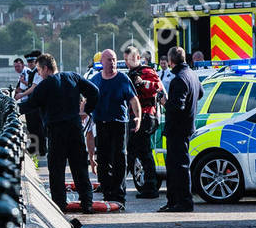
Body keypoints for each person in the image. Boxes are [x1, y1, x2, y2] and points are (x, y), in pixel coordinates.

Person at [16, 53, 99, 215]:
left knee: (56, 170)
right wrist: (87, 111)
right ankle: (87, 203)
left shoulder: (44, 86)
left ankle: (60, 205)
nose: (38, 73)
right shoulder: (73, 77)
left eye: (39, 70)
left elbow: (30, 104)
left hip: (56, 131)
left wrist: (14, 109)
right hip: (75, 128)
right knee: (80, 167)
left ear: (46, 69)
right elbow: (94, 91)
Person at [92, 49, 141, 208]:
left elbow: (134, 100)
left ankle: (119, 195)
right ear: (102, 62)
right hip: (101, 123)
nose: (112, 63)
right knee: (104, 159)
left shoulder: (122, 78)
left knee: (119, 157)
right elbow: (85, 98)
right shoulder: (95, 79)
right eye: (109, 60)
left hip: (119, 123)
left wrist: (138, 117)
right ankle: (107, 192)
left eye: (114, 60)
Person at [161, 46, 203, 212]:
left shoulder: (178, 79)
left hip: (178, 129)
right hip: (185, 127)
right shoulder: (192, 74)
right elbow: (199, 93)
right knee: (173, 166)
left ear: (171, 61)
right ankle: (173, 201)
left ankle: (184, 202)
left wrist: (164, 102)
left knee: (179, 167)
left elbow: (177, 106)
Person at [125, 46, 163, 198]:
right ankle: (119, 183)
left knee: (144, 152)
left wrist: (142, 83)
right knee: (133, 153)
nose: (128, 63)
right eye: (126, 60)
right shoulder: (131, 73)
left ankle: (151, 187)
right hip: (135, 117)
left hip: (146, 117)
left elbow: (157, 88)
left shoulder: (147, 71)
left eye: (130, 59)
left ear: (138, 57)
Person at [15, 51, 48, 157]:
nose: (30, 64)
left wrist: (21, 95)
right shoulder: (33, 72)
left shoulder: (37, 72)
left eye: (32, 61)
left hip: (36, 103)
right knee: (32, 127)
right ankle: (34, 148)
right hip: (32, 102)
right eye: (28, 62)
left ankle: (42, 149)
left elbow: (34, 88)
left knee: (38, 127)